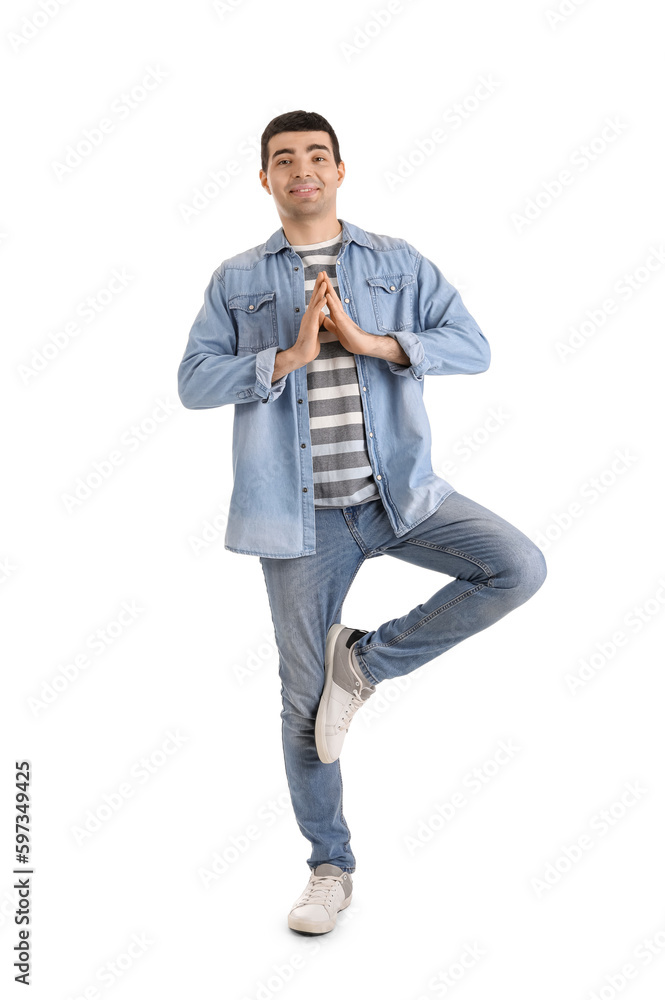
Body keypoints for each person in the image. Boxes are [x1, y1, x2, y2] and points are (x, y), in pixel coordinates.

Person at [177, 110, 547, 935]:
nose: (300, 169)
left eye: (315, 156)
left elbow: (472, 345)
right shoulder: (236, 279)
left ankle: (368, 662)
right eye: (283, 159)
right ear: (264, 179)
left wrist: (374, 342)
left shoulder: (395, 261)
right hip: (297, 520)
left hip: (400, 496)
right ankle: (328, 869)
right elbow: (194, 382)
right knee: (303, 703)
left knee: (516, 567)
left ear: (340, 170)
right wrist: (285, 357)